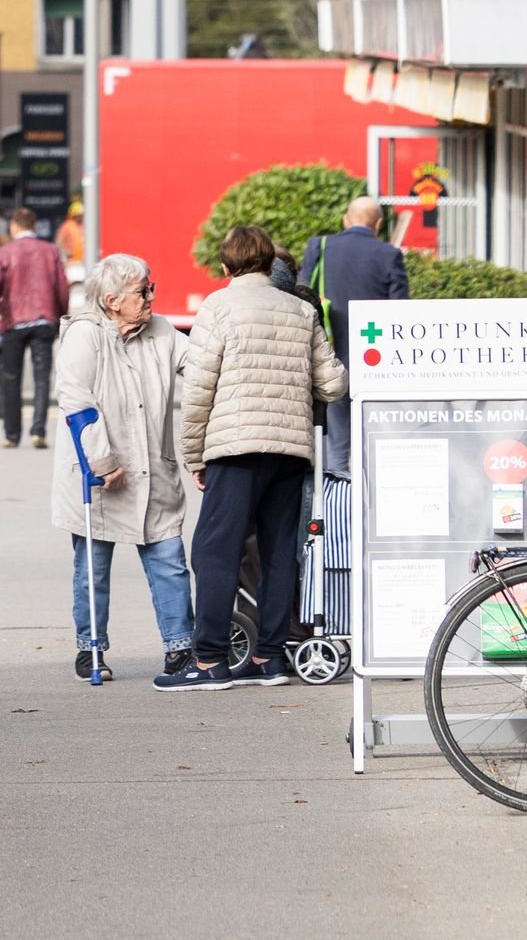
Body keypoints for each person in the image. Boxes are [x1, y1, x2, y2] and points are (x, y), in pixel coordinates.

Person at [175, 221, 345, 688]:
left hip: (235, 447)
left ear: (227, 265)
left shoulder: (218, 306)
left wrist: (195, 455)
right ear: (271, 262)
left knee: (214, 551)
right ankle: (269, 658)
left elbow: (198, 388)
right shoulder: (299, 310)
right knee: (276, 553)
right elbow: (333, 383)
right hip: (290, 450)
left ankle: (209, 661)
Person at [52, 252, 194, 686]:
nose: (151, 296)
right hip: (100, 477)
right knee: (92, 568)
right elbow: (77, 402)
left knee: (169, 561)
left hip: (153, 472)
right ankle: (90, 647)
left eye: (151, 288)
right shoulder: (84, 336)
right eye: (143, 291)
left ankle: (180, 647)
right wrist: (103, 460)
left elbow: (201, 364)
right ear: (112, 300)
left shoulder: (163, 331)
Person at [305, 195, 408, 646]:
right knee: (373, 446)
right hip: (374, 364)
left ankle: (337, 515)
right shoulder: (389, 254)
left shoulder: (321, 246)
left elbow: (306, 297)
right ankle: (367, 512)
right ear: (379, 223)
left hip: (330, 358)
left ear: (346, 220)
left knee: (337, 453)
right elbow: (400, 313)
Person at [0, 203, 71, 452]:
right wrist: (61, 314)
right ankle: (38, 430)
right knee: (42, 379)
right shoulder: (50, 251)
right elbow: (62, 287)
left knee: (11, 378)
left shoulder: (5, 253)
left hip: (14, 322)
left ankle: (12, 434)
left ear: (14, 226)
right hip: (44, 319)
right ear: (34, 226)